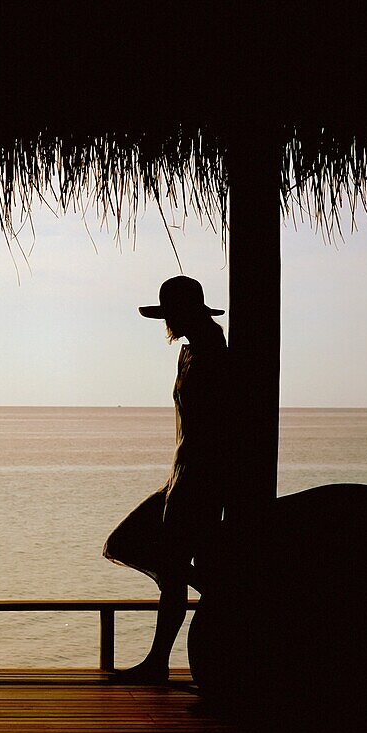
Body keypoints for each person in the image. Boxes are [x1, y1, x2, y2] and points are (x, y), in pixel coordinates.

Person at [103, 275, 229, 683]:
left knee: (162, 565)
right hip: (180, 473)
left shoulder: (216, 352)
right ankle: (206, 590)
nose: (166, 324)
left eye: (169, 314)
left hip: (201, 477)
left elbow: (225, 426)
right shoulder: (190, 352)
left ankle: (159, 662)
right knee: (125, 544)